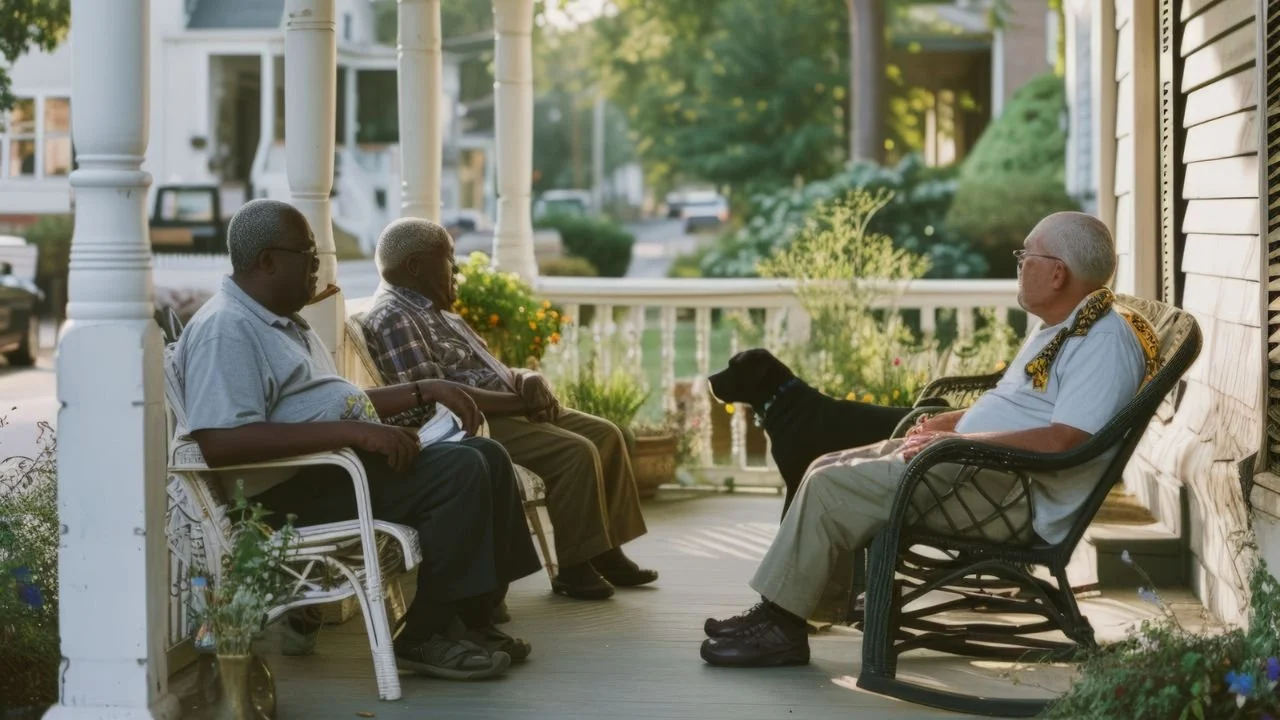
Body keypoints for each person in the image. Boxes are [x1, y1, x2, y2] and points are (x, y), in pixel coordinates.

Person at [700, 211, 1158, 667]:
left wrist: (959, 444)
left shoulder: (1101, 341)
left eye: (1027, 255)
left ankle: (781, 628)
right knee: (825, 464)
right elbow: (1019, 404)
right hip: (975, 470)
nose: (1019, 264)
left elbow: (1065, 441)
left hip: (1006, 493)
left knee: (828, 489)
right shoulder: (1065, 326)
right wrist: (951, 423)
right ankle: (788, 611)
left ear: (1057, 272)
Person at [171, 199, 542, 681]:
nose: (318, 267)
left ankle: (472, 622)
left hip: (329, 473)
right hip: (283, 501)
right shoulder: (228, 329)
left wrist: (423, 389)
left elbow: (328, 404)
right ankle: (425, 635)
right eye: (308, 254)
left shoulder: (277, 321)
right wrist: (356, 432)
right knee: (461, 470)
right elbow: (222, 441)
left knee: (487, 455)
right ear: (266, 261)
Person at [360, 217, 657, 601]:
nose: (458, 269)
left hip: (508, 406)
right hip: (471, 426)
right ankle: (573, 568)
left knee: (607, 434)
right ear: (415, 265)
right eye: (450, 259)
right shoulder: (395, 316)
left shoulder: (438, 312)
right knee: (575, 453)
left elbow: (489, 368)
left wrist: (526, 377)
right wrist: (519, 401)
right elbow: (439, 401)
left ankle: (604, 550)